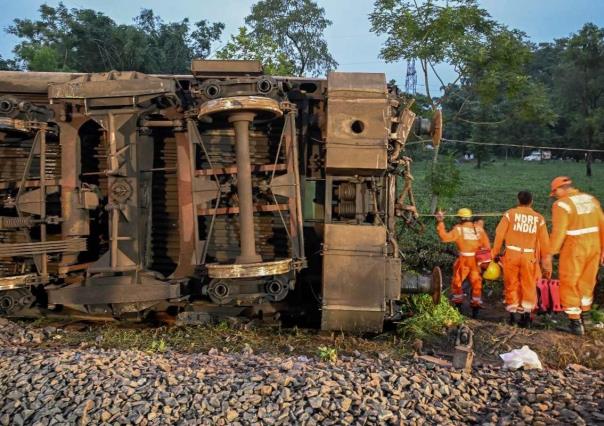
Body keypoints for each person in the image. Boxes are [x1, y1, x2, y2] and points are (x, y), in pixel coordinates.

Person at [549, 176, 604, 335]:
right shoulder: (590, 199)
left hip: (575, 248)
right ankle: (585, 317)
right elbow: (602, 224)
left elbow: (559, 232)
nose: (555, 195)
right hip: (594, 247)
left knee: (569, 282)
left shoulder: (562, 205)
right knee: (587, 282)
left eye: (555, 192)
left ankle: (575, 323)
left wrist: (551, 253)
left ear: (560, 189)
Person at [492, 191, 552, 327]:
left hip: (511, 255)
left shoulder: (509, 214)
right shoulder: (539, 219)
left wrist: (495, 253)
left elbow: (499, 234)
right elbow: (545, 244)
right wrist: (546, 264)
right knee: (528, 285)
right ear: (532, 202)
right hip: (529, 256)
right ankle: (526, 318)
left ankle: (512, 318)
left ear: (518, 200)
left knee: (511, 284)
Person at [436, 208, 491, 316]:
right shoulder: (479, 229)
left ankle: (459, 308)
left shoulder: (458, 229)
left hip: (464, 261)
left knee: (457, 283)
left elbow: (444, 238)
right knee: (476, 284)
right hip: (476, 262)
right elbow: (487, 247)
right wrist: (485, 262)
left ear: (460, 218)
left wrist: (440, 222)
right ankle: (475, 311)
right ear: (470, 218)